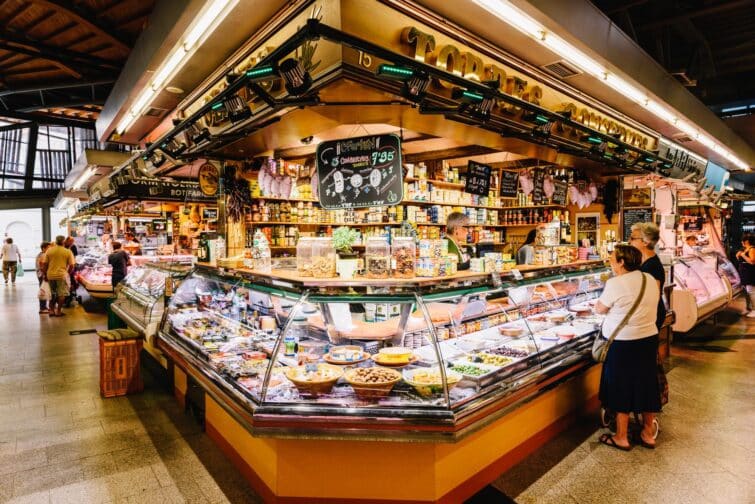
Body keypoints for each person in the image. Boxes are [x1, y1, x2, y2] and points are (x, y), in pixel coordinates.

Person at [595, 244, 661, 451]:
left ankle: (622, 437)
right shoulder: (649, 279)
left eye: (613, 258)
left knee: (621, 386)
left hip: (623, 343)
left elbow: (600, 309)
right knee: (646, 383)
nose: (610, 262)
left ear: (622, 262)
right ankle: (648, 433)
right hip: (648, 339)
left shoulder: (615, 283)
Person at [630, 223, 667, 331]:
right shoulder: (641, 262)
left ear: (645, 242)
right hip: (645, 314)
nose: (629, 241)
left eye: (633, 238)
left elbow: (653, 296)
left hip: (651, 315)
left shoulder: (652, 266)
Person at [43, 235, 75, 317]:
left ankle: (51, 311)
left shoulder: (49, 250)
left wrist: (44, 274)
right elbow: (72, 265)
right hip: (62, 275)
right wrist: (67, 273)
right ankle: (58, 311)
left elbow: (45, 264)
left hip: (50, 275)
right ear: (64, 241)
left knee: (52, 293)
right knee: (61, 294)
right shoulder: (67, 251)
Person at [735, 234, 755, 318]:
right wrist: (739, 255)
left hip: (750, 273)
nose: (741, 242)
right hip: (745, 272)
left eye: (742, 240)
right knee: (747, 291)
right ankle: (749, 308)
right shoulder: (745, 249)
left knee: (751, 291)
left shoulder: (752, 249)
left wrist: (742, 255)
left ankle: (754, 310)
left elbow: (752, 261)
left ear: (746, 241)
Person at [36, 242, 51, 314]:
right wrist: (45, 275)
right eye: (49, 247)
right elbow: (42, 266)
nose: (50, 249)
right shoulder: (43, 255)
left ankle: (44, 307)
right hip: (42, 275)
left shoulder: (40, 254)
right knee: (43, 291)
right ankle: (42, 308)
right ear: (44, 248)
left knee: (43, 290)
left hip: (40, 275)